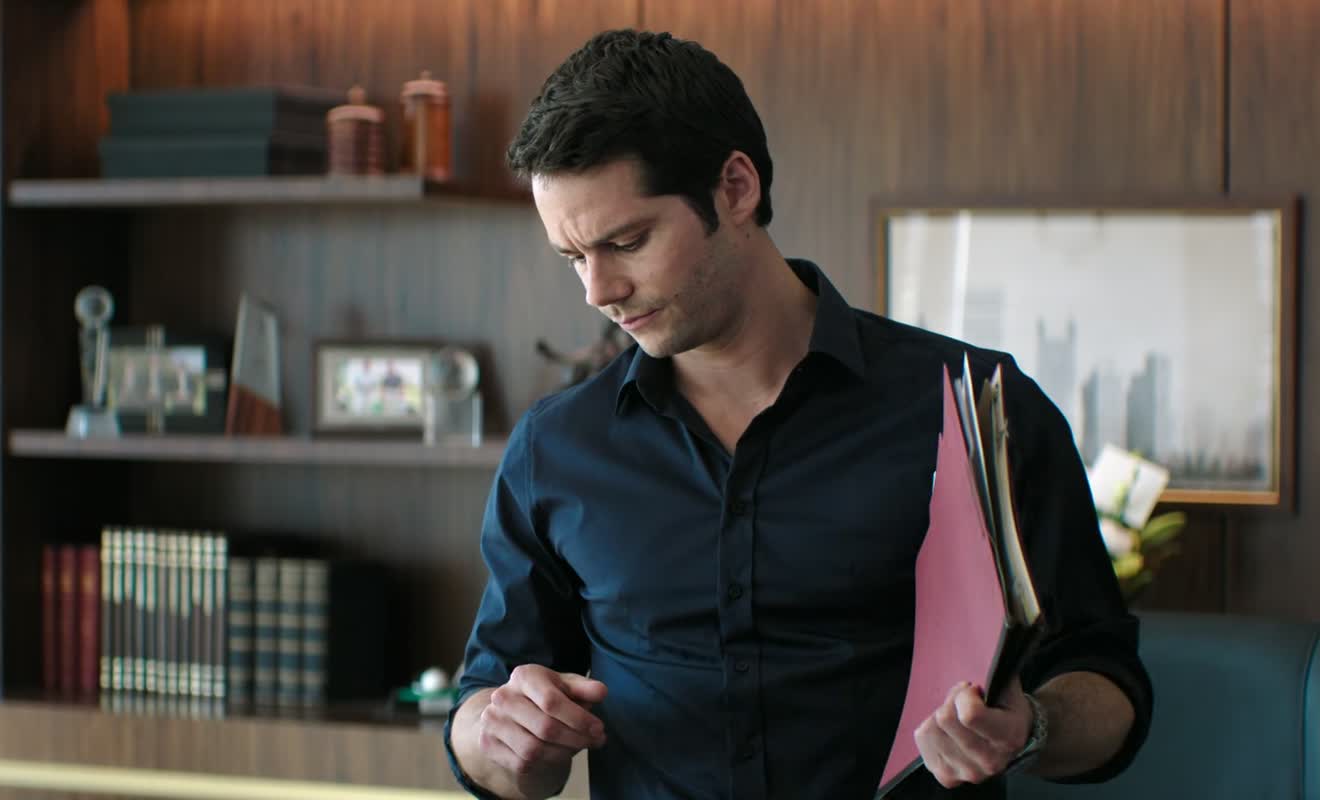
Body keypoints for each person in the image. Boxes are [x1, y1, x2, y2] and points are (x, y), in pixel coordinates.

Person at [444, 29, 1152, 800]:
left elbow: (1109, 688)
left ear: (735, 188)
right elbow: (482, 709)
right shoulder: (557, 447)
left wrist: (1033, 726)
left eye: (627, 242)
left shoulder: (978, 405)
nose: (598, 291)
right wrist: (500, 734)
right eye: (573, 257)